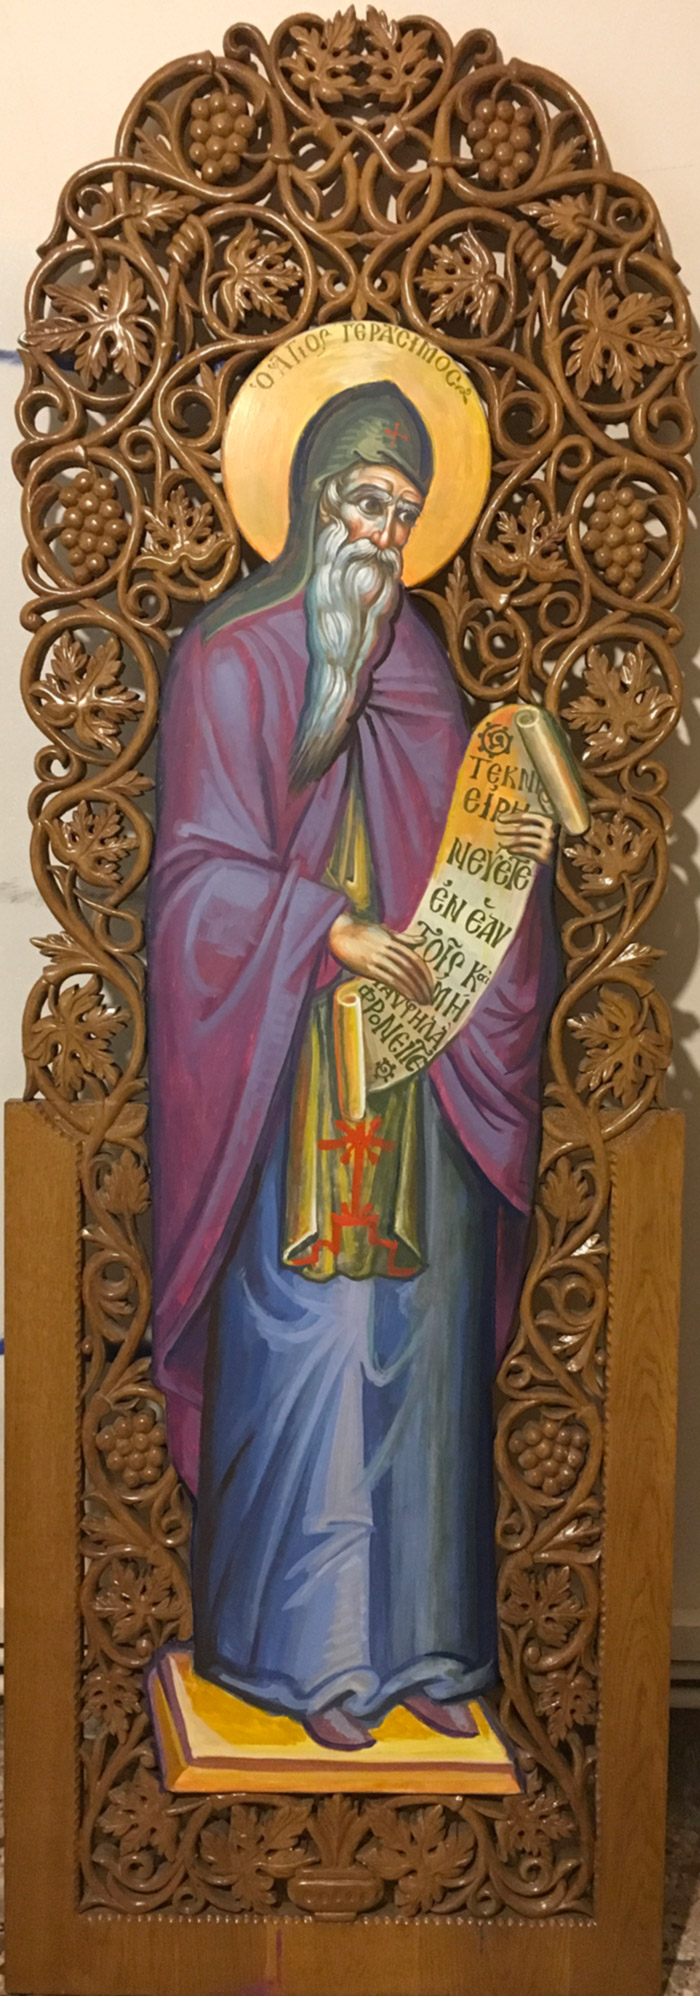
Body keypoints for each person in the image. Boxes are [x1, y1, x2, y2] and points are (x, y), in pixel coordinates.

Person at [148, 381, 559, 1751]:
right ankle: (302, 1660)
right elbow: (194, 886)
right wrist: (325, 930)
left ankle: (425, 1650)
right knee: (314, 1354)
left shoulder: (420, 663)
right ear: (312, 497)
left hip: (416, 1079)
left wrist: (508, 864)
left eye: (404, 511)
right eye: (364, 500)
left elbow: (465, 871)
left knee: (419, 1353)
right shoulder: (231, 658)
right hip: (281, 1080)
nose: (381, 533)